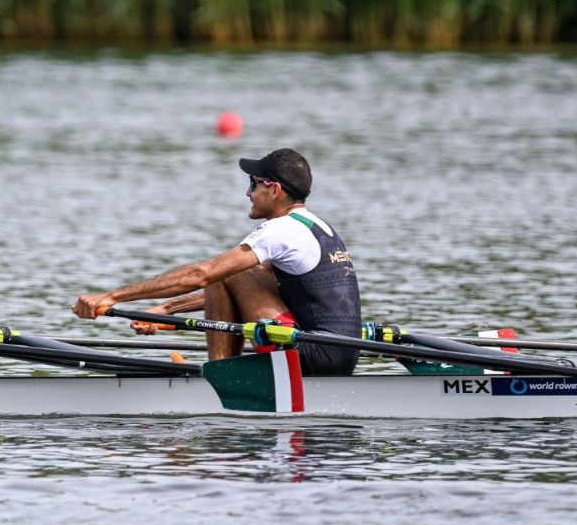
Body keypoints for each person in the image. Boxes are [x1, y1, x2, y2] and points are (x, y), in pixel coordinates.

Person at [72, 148, 361, 375]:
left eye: (254, 183)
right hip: (339, 354)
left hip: (314, 357)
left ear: (274, 190)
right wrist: (165, 312)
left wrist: (110, 296)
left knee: (224, 271)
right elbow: (242, 286)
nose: (248, 192)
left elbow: (201, 275)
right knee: (236, 273)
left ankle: (222, 375)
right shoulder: (317, 227)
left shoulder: (281, 230)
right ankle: (223, 371)